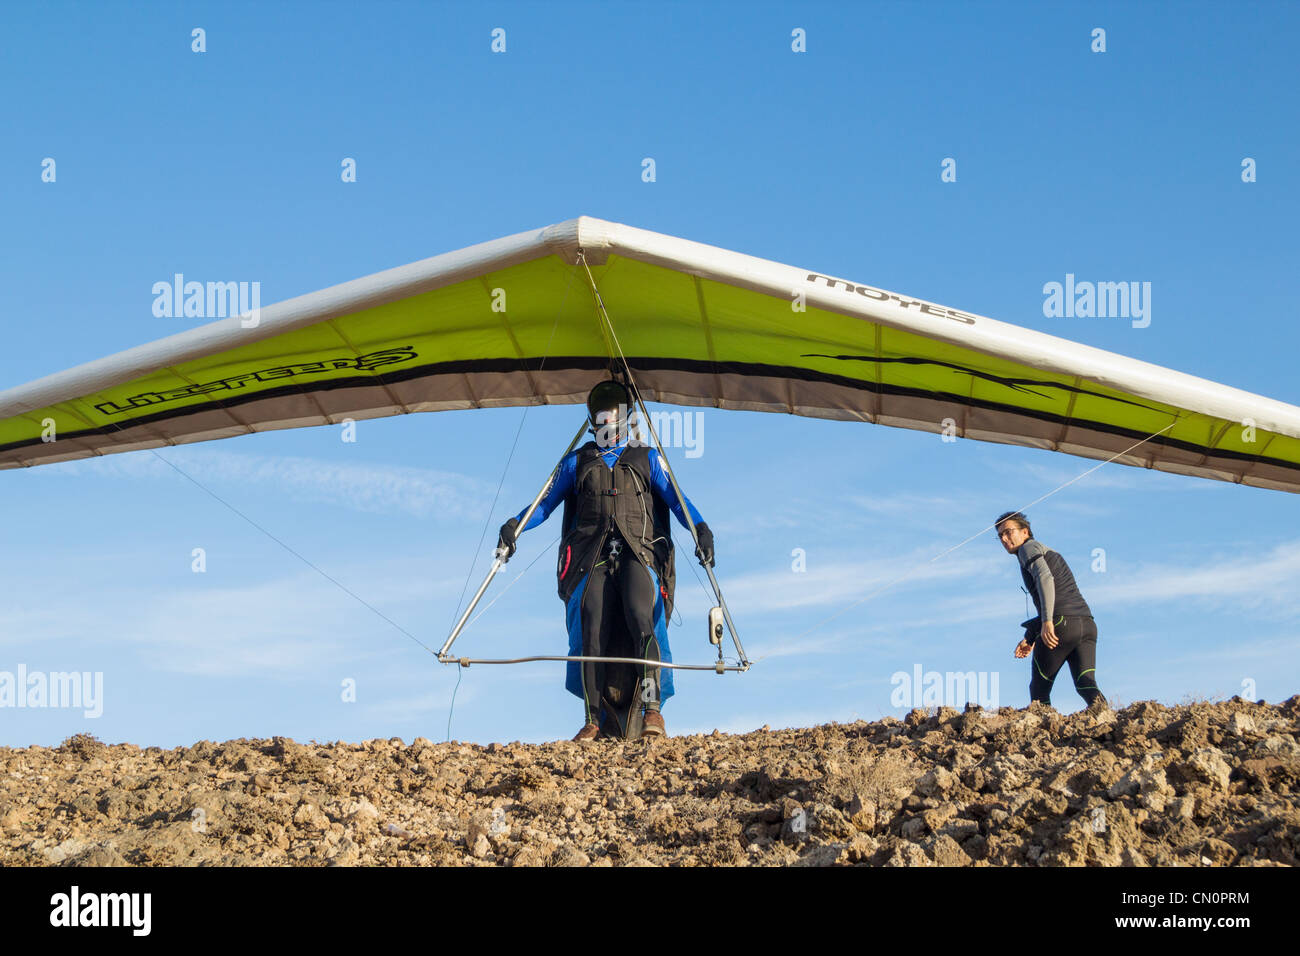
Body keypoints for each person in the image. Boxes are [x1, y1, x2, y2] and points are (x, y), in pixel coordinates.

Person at [497, 380, 714, 741]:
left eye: (614, 422)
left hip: (636, 552)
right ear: (593, 423)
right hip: (592, 556)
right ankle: (592, 719)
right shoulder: (577, 463)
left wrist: (700, 529)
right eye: (602, 423)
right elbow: (544, 504)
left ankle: (652, 711)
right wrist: (515, 526)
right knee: (591, 619)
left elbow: (677, 499)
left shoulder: (646, 458)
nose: (608, 429)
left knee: (639, 613)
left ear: (626, 422)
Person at [995, 511, 1106, 710]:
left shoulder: (1028, 549)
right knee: (1085, 684)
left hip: (1060, 624)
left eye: (1008, 532)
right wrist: (1030, 637)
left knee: (1039, 690)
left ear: (1025, 532)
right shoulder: (1046, 551)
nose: (1004, 538)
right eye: (1000, 535)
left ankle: (1042, 734)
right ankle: (1110, 724)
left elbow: (1045, 578)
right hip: (1087, 624)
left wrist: (1047, 622)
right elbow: (1060, 597)